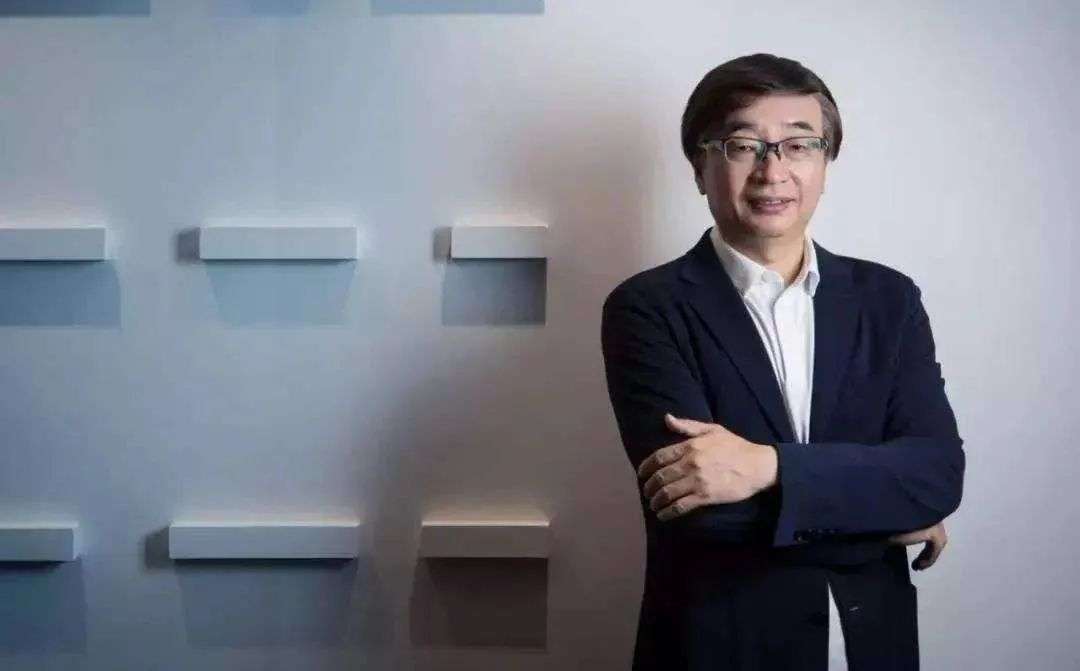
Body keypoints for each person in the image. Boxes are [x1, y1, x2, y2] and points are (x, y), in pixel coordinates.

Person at [600, 53, 964, 671]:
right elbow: (699, 512)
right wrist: (885, 508)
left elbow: (937, 474)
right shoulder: (648, 307)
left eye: (799, 146)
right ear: (699, 167)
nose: (773, 172)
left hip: (871, 646)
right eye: (744, 146)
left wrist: (766, 467)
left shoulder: (888, 299)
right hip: (720, 649)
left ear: (825, 164)